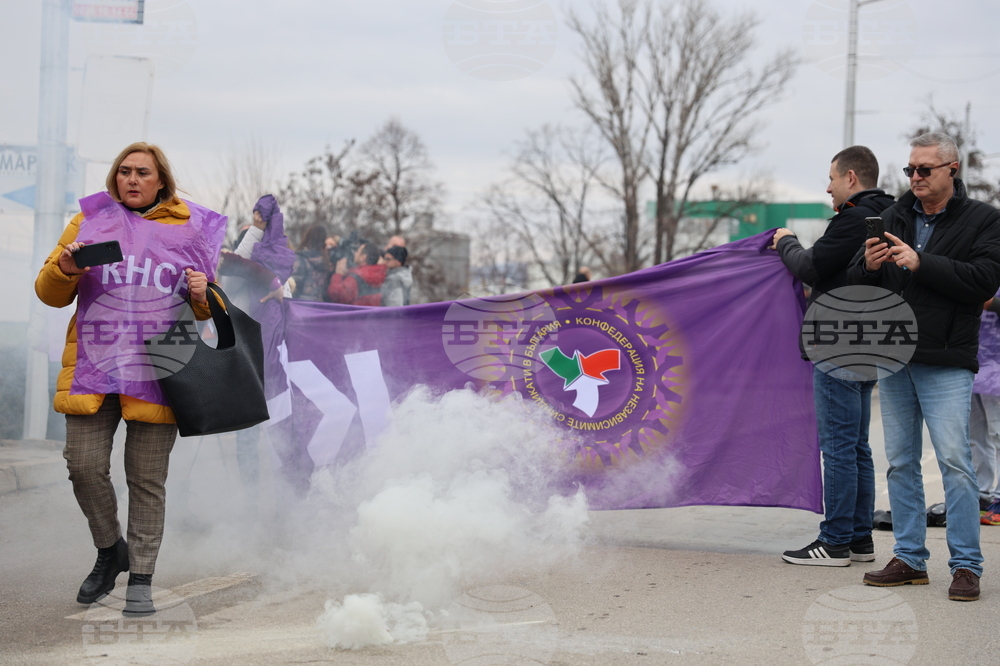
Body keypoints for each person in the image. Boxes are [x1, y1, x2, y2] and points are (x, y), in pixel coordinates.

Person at [34, 142, 226, 616]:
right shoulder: (89, 222)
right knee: (82, 465)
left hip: (159, 371)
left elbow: (212, 310)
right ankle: (109, 550)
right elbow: (48, 292)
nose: (132, 179)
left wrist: (205, 293)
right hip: (94, 368)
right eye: (124, 172)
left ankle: (140, 577)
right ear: (115, 178)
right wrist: (66, 268)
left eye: (143, 172)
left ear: (162, 180)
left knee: (145, 480)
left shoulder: (191, 228)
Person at [850, 132, 1000, 602]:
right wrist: (870, 266)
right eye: (910, 169)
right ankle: (910, 558)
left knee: (956, 462)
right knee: (899, 462)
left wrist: (921, 262)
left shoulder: (985, 220)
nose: (914, 177)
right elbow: (858, 280)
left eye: (924, 170)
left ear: (952, 171)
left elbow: (982, 282)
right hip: (894, 354)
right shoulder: (893, 215)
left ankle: (966, 566)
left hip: (946, 358)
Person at [771, 145, 895, 567]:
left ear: (852, 179)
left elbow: (809, 267)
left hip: (838, 343)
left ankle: (836, 540)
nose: (828, 188)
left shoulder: (852, 220)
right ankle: (859, 539)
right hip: (870, 343)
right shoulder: (889, 217)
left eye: (832, 179)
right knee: (857, 445)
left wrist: (786, 242)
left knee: (840, 447)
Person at [971, 294, 1000, 525]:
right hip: (971, 361)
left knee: (998, 435)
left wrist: (991, 302)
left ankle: (998, 498)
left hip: (997, 366)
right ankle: (982, 494)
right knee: (975, 436)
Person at [327, 241, 386, 305]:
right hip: (371, 314)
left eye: (357, 251)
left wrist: (338, 274)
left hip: (353, 313)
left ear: (363, 257)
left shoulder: (357, 277)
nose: (355, 253)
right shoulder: (380, 274)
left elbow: (337, 296)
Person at [290, 224, 333, 301]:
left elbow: (293, 281)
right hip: (320, 305)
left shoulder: (300, 257)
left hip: (300, 303)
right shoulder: (327, 260)